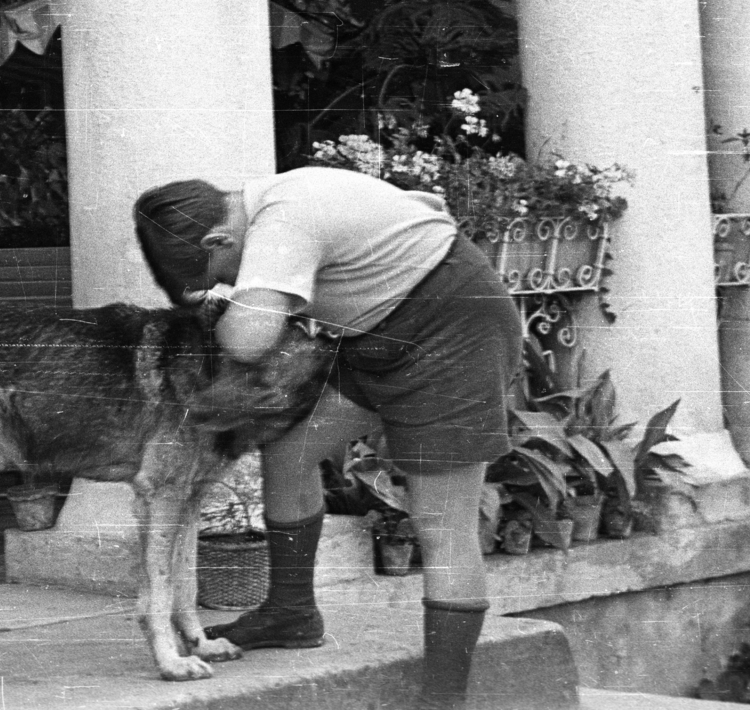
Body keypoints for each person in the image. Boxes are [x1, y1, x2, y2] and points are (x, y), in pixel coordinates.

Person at [133, 167, 519, 710]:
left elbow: (247, 340)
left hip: (454, 332)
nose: (230, 284)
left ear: (218, 239)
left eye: (221, 273)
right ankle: (292, 613)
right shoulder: (274, 203)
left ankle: (443, 700)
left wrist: (229, 309)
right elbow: (420, 204)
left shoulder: (281, 220)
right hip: (375, 335)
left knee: (442, 524)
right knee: (289, 449)